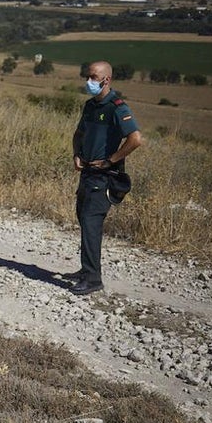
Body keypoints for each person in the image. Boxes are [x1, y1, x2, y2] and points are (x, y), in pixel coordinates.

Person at [67, 60, 143, 295]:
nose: (88, 82)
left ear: (106, 80)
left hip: (104, 176)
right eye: (87, 77)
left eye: (92, 77)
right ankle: (85, 270)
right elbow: (79, 133)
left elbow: (135, 139)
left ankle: (93, 279)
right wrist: (76, 154)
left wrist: (111, 160)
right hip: (87, 172)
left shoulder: (117, 107)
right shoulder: (90, 106)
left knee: (91, 221)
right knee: (83, 217)